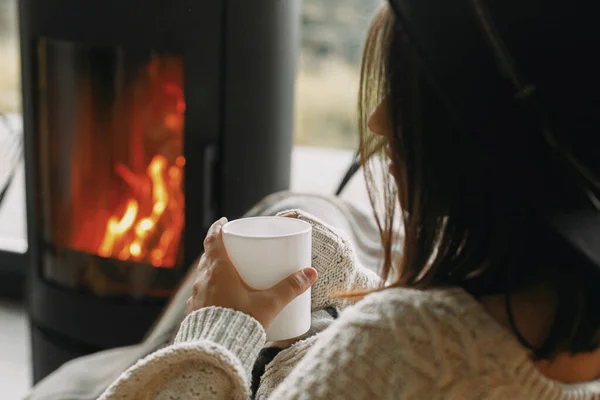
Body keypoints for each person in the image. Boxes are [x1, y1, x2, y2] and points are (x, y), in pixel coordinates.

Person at [100, 0, 600, 398]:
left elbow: (404, 358)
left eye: (404, 98)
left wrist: (217, 329)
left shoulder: (406, 342)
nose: (380, 122)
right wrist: (348, 283)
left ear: (480, 135)